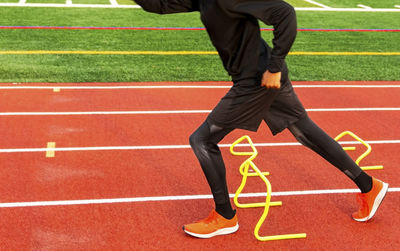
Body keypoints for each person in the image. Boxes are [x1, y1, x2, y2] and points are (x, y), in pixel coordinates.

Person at [134, 0, 389, 238]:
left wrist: (275, 67)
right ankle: (368, 185)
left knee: (202, 140)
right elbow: (160, 5)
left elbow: (285, 13)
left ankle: (224, 215)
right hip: (258, 77)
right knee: (305, 132)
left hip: (256, 80)